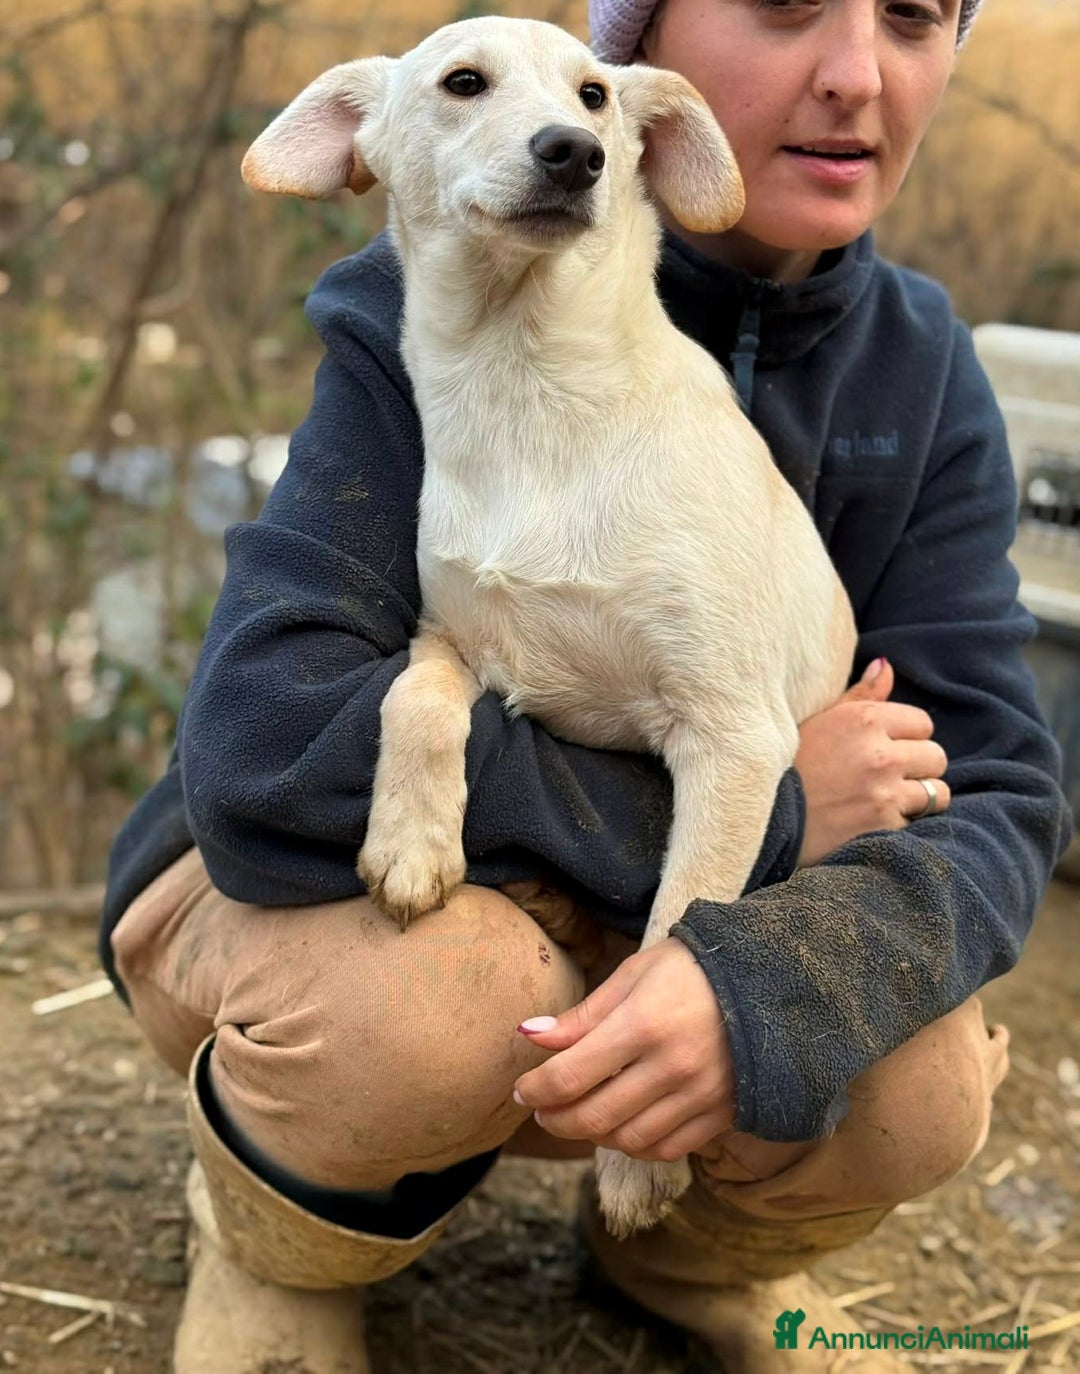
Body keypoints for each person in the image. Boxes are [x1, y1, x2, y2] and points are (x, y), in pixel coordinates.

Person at [99, 0, 1072, 1370]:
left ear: (639, 124)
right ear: (653, 34)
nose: (855, 75)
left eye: (914, 18)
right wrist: (789, 817)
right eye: (788, 2)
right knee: (439, 1004)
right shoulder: (416, 315)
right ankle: (284, 1235)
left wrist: (749, 979)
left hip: (639, 902)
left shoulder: (925, 373)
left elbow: (1001, 789)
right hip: (306, 894)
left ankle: (673, 1260)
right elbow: (266, 744)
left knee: (922, 1079)